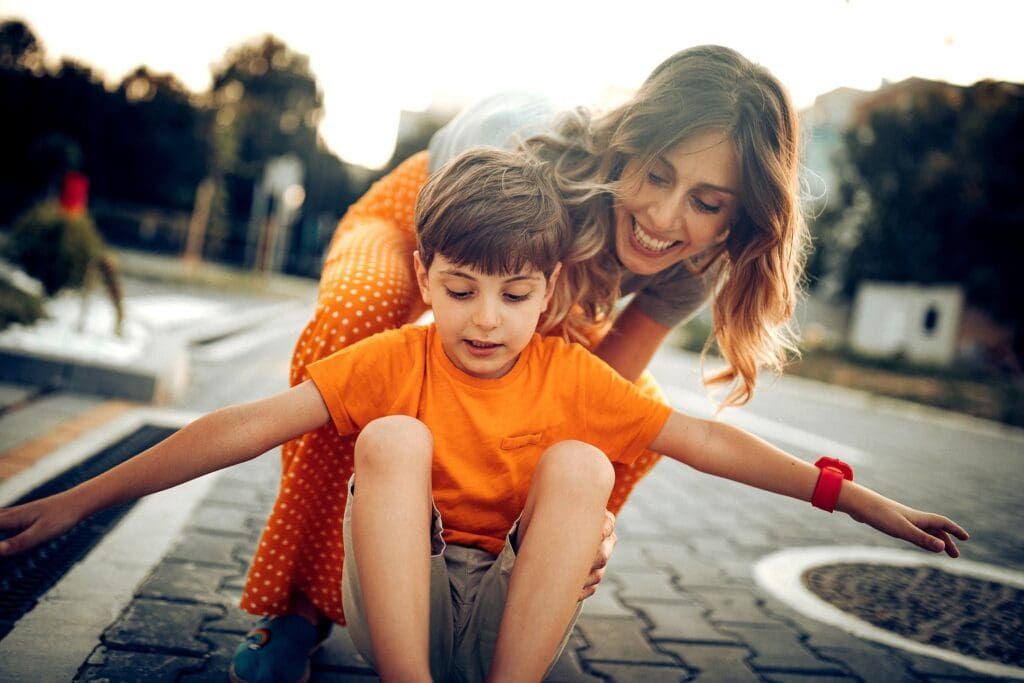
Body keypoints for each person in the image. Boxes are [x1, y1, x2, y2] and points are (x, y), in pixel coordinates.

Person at [0, 148, 968, 683]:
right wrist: (81, 498)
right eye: (459, 290)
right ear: (426, 276)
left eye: (513, 295)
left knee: (584, 467)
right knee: (392, 434)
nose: (484, 320)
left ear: (550, 292)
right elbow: (244, 424)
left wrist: (853, 497)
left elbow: (707, 438)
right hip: (398, 618)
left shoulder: (564, 372)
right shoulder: (399, 356)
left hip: (510, 618)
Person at [240, 43, 812, 678]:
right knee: (358, 320)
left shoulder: (696, 262)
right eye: (655, 174)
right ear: (628, 142)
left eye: (707, 203)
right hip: (427, 223)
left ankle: (493, 597)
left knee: (633, 425)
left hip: (541, 290)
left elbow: (602, 395)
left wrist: (574, 526)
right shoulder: (535, 150)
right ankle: (298, 608)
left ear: (741, 216)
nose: (663, 216)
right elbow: (457, 276)